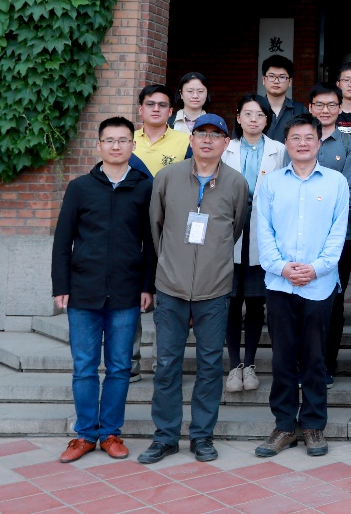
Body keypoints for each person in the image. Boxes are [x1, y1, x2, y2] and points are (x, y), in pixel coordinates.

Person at [139, 115, 248, 465]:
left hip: (214, 290)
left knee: (210, 365)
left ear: (226, 143)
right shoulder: (167, 177)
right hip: (171, 287)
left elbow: (235, 229)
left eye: (216, 135)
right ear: (191, 138)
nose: (207, 140)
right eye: (201, 133)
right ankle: (165, 437)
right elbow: (155, 227)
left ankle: (202, 436)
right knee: (166, 364)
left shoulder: (236, 183)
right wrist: (171, 265)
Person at [51, 117, 155, 463]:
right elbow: (62, 240)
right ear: (99, 146)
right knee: (84, 367)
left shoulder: (144, 187)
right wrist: (61, 285)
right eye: (109, 140)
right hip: (83, 291)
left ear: (132, 146)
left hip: (126, 292)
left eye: (122, 140)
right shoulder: (80, 187)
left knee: (119, 367)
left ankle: (110, 433)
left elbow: (151, 243)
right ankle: (84, 435)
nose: (116, 146)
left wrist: (147, 285)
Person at [253, 115, 349, 458]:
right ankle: (283, 426)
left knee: (314, 359)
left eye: (309, 137)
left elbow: (338, 232)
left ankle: (312, 425)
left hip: (319, 286)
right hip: (280, 284)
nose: (303, 143)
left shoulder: (336, 182)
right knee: (282, 358)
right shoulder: (271, 182)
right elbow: (263, 230)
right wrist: (282, 267)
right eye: (296, 138)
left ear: (319, 143)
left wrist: (316, 268)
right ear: (287, 143)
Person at [221, 94, 286, 394]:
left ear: (267, 120)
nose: (253, 120)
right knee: (232, 300)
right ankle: (234, 365)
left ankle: (250, 364)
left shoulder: (279, 150)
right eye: (248, 114)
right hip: (230, 229)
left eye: (260, 115)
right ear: (238, 117)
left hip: (263, 231)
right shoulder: (226, 149)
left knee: (257, 301)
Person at [310, 83, 351, 386]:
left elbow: (349, 192)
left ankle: (326, 364)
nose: (325, 110)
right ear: (310, 107)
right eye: (319, 104)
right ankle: (305, 362)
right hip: (302, 236)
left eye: (331, 105)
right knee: (304, 301)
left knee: (334, 301)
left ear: (340, 108)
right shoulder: (299, 138)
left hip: (339, 237)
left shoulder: (349, 144)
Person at [133, 84, 190, 176]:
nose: (156, 109)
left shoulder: (186, 141)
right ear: (140, 110)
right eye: (150, 104)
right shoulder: (127, 139)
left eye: (162, 105)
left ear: (170, 111)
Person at [262, 56, 307, 143]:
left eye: (282, 77)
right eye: (271, 76)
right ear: (264, 80)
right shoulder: (253, 109)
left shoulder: (300, 111)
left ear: (289, 82)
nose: (276, 81)